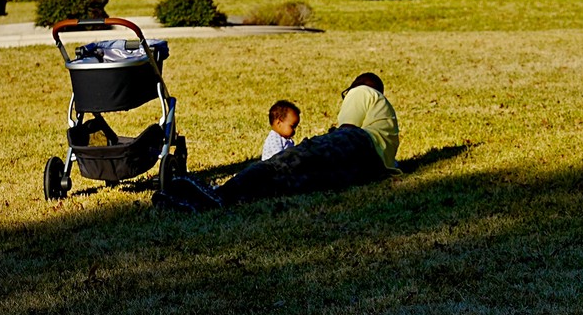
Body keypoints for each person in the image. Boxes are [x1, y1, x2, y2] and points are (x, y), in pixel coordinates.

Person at [154, 72, 400, 212]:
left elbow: (347, 131)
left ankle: (218, 194)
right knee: (297, 181)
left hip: (355, 143)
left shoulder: (363, 92)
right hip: (369, 169)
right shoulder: (387, 132)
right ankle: (217, 199)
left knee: (284, 164)